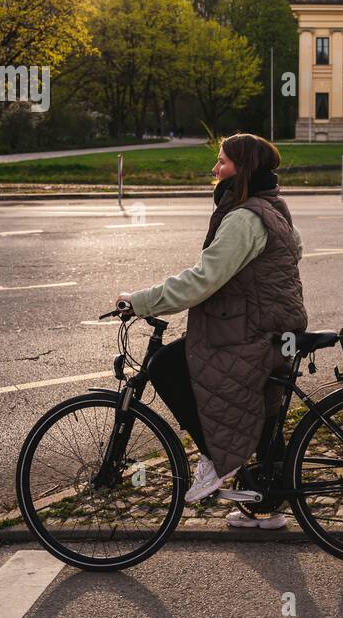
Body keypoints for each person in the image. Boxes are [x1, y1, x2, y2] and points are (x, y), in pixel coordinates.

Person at [119, 133, 307, 530]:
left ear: (242, 168)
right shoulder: (273, 206)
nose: (214, 169)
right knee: (265, 410)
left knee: (166, 364)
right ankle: (266, 505)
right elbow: (290, 255)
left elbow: (202, 281)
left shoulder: (244, 218)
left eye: (221, 162)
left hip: (253, 332)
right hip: (277, 327)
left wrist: (140, 301)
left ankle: (217, 457)